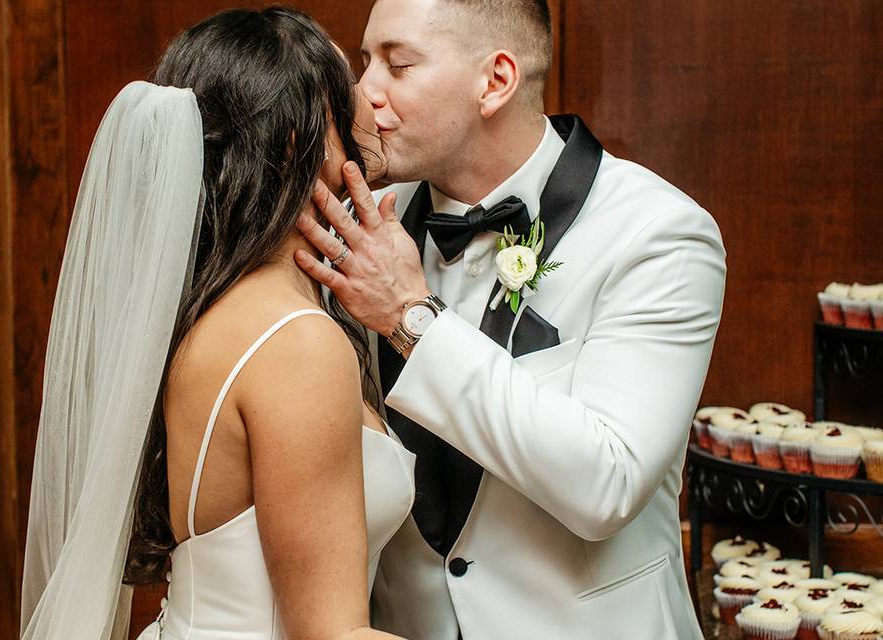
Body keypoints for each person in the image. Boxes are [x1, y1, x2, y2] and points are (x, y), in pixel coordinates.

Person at [295, 0, 726, 637]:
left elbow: (608, 483)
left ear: (495, 81)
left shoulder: (657, 234)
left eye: (399, 64)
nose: (364, 94)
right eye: (365, 62)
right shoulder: (362, 216)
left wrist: (411, 317)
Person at [20, 8, 414, 640]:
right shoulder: (297, 344)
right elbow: (330, 633)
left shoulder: (208, 312)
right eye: (349, 83)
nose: (371, 97)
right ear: (298, 138)